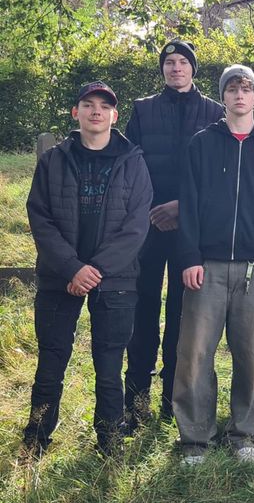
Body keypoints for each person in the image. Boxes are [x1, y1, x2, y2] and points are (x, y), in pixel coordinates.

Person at [24, 81, 152, 456]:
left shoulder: (134, 162)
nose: (96, 111)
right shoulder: (53, 160)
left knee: (109, 366)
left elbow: (136, 226)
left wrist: (94, 269)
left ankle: (109, 440)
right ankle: (36, 438)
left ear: (114, 116)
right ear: (75, 113)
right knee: (51, 360)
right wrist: (71, 268)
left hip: (116, 279)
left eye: (104, 106)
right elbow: (40, 218)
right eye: (88, 104)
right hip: (58, 277)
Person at [173, 65, 254, 465]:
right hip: (206, 264)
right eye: (233, 89)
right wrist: (188, 257)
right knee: (195, 354)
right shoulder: (201, 143)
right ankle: (195, 438)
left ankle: (246, 435)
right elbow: (187, 204)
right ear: (222, 97)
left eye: (247, 89)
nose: (240, 95)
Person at [124, 40, 224, 425]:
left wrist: (182, 208)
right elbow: (131, 165)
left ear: (193, 69)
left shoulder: (214, 113)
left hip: (192, 228)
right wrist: (154, 210)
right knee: (143, 307)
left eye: (183, 62)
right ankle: (136, 400)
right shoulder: (142, 109)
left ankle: (173, 397)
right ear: (162, 69)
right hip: (148, 224)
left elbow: (217, 172)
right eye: (169, 62)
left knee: (184, 313)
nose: (176, 68)